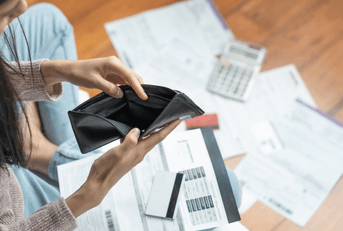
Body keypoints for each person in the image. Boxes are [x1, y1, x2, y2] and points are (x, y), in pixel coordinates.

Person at [0, 0, 241, 230]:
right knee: (226, 186)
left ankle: (35, 150)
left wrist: (55, 72)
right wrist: (90, 192)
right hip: (18, 206)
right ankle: (37, 152)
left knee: (48, 20)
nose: (22, 6)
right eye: (4, 10)